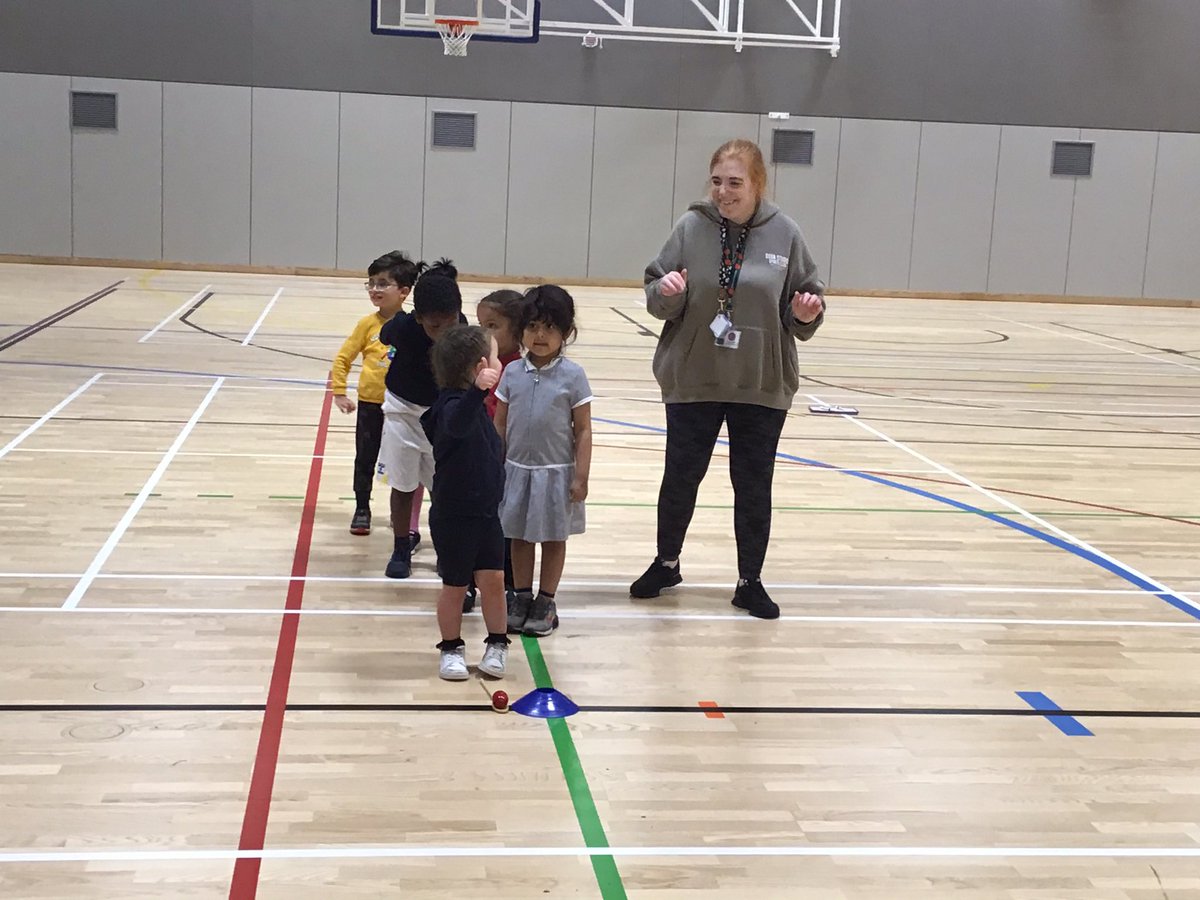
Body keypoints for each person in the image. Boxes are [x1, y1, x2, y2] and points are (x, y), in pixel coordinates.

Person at [629, 138, 826, 620]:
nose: (723, 192)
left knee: (753, 484)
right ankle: (667, 562)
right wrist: (667, 291)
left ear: (757, 184)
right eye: (717, 181)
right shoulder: (690, 227)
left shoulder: (786, 234)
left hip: (760, 382)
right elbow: (656, 294)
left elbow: (806, 306)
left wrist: (805, 312)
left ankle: (749, 581)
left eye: (734, 183)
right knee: (681, 477)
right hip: (694, 376)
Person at [494, 286, 593, 637]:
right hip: (517, 471)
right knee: (518, 537)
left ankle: (546, 600)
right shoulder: (511, 373)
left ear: (565, 333)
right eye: (533, 326)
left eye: (550, 328)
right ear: (521, 330)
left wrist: (580, 476)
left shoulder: (573, 376)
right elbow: (500, 423)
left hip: (556, 474)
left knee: (553, 539)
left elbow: (582, 431)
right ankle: (521, 596)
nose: (540, 335)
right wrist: (495, 467)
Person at [421, 325, 510, 680]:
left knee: (494, 580)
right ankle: (451, 648)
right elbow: (455, 427)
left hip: (487, 514)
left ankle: (498, 644)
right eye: (495, 356)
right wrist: (476, 393)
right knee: (456, 585)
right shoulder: (450, 407)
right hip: (453, 516)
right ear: (479, 368)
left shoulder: (475, 407)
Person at [376, 259, 466, 578]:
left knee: (442, 489)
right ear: (418, 318)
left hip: (442, 417)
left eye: (449, 323)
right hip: (403, 413)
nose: (443, 333)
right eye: (433, 326)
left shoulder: (464, 330)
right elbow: (385, 336)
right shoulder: (402, 326)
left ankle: (445, 549)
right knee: (402, 486)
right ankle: (401, 547)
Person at [331, 251, 423, 537]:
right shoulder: (366, 325)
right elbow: (343, 358)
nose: (374, 289)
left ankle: (403, 516)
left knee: (406, 461)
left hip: (404, 406)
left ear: (404, 291)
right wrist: (339, 391)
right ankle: (362, 508)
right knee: (365, 458)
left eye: (383, 283)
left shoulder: (413, 325)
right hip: (371, 404)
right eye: (371, 283)